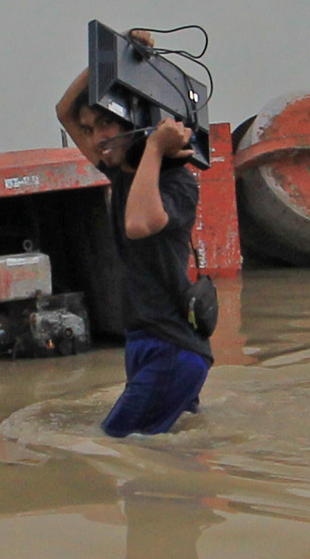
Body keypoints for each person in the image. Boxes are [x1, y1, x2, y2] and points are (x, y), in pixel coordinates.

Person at [56, 56, 209, 438]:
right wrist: (113, 57)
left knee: (116, 444)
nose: (96, 140)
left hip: (172, 348)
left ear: (138, 122)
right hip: (142, 340)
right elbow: (64, 111)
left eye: (106, 123)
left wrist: (155, 148)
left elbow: (139, 224)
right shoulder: (117, 168)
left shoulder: (178, 182)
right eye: (90, 129)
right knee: (160, 467)